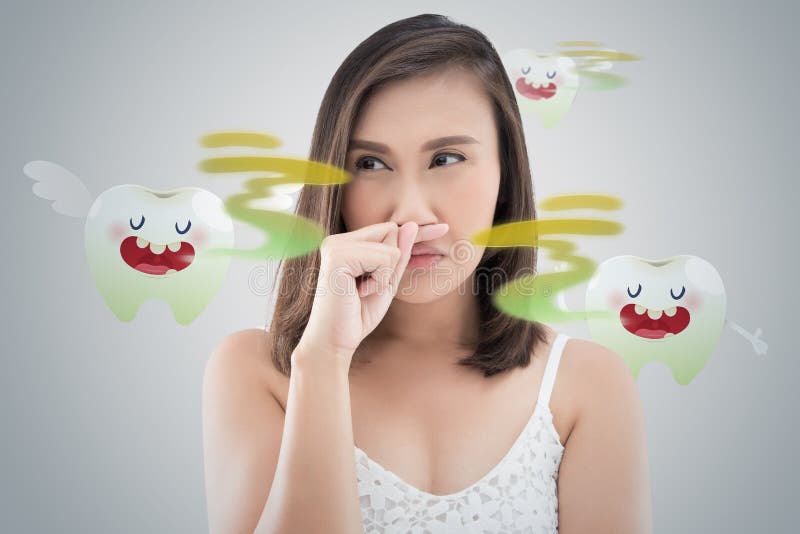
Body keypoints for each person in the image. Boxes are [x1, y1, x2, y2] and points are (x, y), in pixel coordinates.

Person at [202, 13, 652, 534]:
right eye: (370, 164)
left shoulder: (586, 386)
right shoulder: (258, 372)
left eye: (447, 157)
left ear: (505, 174)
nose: (410, 212)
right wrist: (323, 362)